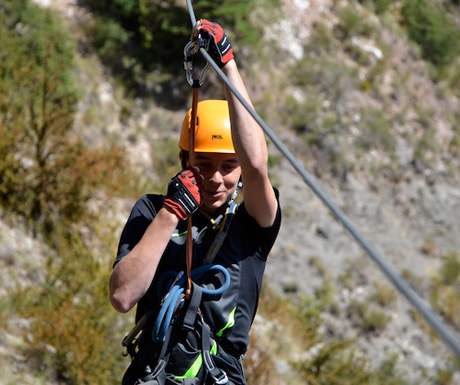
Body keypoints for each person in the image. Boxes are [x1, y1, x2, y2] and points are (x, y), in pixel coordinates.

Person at [109, 19, 281, 385]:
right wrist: (171, 214)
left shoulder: (253, 222)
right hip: (152, 372)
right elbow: (123, 295)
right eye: (204, 164)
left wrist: (227, 63)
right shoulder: (153, 210)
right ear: (184, 160)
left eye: (228, 165)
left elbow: (256, 164)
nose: (217, 178)